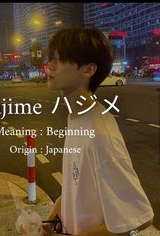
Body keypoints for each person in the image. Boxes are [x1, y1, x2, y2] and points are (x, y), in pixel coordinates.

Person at [43, 26, 154, 236]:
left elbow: (139, 219)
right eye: (51, 58)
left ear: (88, 70)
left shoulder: (100, 135)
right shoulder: (75, 117)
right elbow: (73, 188)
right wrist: (49, 222)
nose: (49, 65)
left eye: (59, 59)